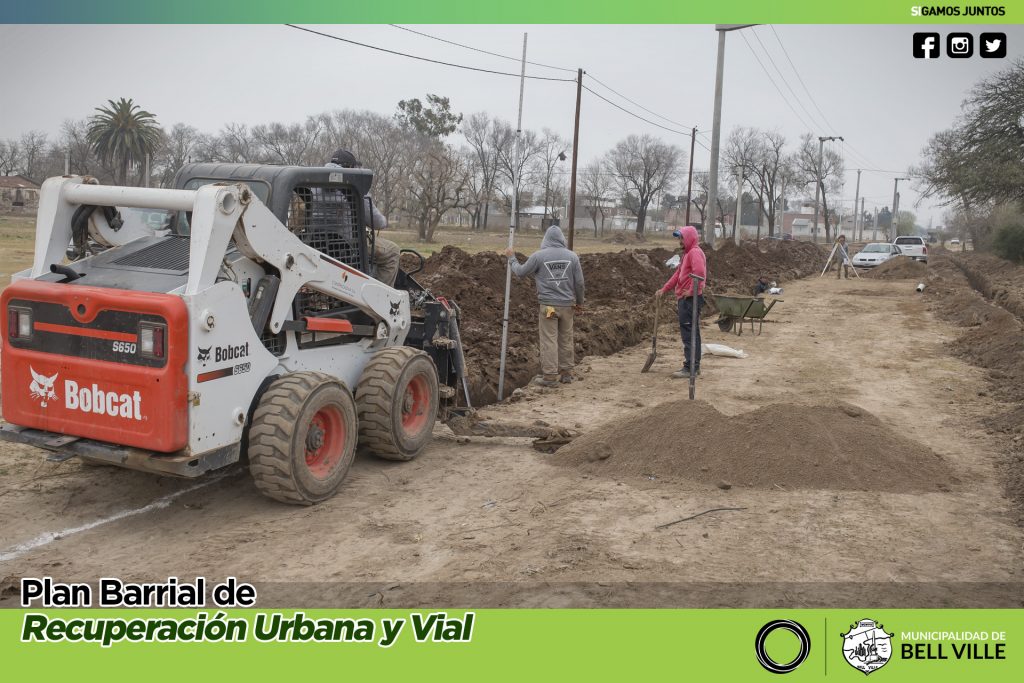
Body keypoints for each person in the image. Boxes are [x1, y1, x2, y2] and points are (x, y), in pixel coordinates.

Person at [504, 223, 585, 388]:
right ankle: (567, 373)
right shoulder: (573, 257)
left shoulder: (538, 256)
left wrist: (511, 258)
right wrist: (580, 302)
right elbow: (580, 283)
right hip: (568, 306)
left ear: (545, 238)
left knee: (549, 340)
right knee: (566, 338)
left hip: (548, 306)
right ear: (561, 239)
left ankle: (549, 376)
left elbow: (520, 272)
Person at [325, 149, 401, 288]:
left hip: (318, 244)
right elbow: (378, 222)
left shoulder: (313, 185)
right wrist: (385, 221)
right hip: (347, 244)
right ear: (348, 167)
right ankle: (379, 298)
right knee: (392, 251)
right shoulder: (353, 187)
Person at [657, 225, 707, 378]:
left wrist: (691, 291)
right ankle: (693, 365)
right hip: (686, 298)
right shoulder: (687, 255)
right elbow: (677, 275)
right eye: (679, 238)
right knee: (691, 333)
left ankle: (690, 367)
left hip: (690, 299)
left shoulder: (694, 253)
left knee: (689, 334)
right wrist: (664, 289)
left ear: (690, 238)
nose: (680, 241)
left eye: (682, 238)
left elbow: (699, 274)